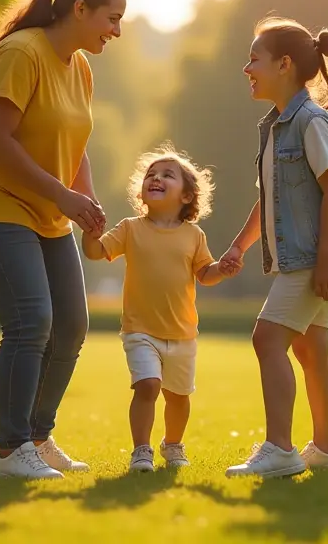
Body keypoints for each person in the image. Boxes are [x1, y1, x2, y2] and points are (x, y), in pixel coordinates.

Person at [0, 0, 126, 479]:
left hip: (46, 210)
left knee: (71, 326)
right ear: (80, 9)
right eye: (111, 19)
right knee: (29, 322)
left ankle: (38, 438)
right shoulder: (21, 53)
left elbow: (76, 143)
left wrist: (84, 201)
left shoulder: (79, 66)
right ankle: (10, 450)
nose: (116, 31)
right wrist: (62, 195)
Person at [219, 16, 328, 478]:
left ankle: (280, 449)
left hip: (314, 255)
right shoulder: (277, 126)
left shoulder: (312, 122)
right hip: (309, 257)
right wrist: (239, 246)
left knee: (267, 339)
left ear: (284, 64)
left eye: (254, 59)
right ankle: (326, 449)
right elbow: (270, 197)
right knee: (311, 351)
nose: (246, 68)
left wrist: (324, 262)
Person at [82, 144, 230, 472]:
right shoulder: (130, 228)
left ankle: (173, 444)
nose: (156, 178)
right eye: (151, 174)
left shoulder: (194, 235)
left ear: (187, 197)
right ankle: (142, 450)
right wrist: (89, 231)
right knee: (147, 385)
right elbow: (95, 252)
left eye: (167, 175)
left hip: (182, 333)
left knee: (178, 397)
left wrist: (222, 269)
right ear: (142, 192)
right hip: (140, 330)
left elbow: (204, 274)